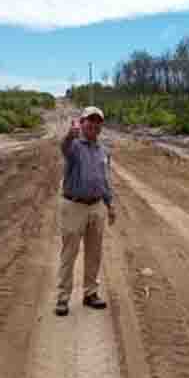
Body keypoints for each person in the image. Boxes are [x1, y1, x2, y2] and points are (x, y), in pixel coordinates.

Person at [56, 106, 117, 316]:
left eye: (97, 121)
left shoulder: (103, 151)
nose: (93, 125)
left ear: (101, 126)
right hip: (73, 206)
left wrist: (110, 205)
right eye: (89, 121)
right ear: (81, 123)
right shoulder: (74, 146)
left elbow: (104, 180)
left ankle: (90, 293)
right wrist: (68, 136)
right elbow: (64, 148)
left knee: (94, 253)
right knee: (69, 253)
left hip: (96, 206)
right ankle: (63, 297)